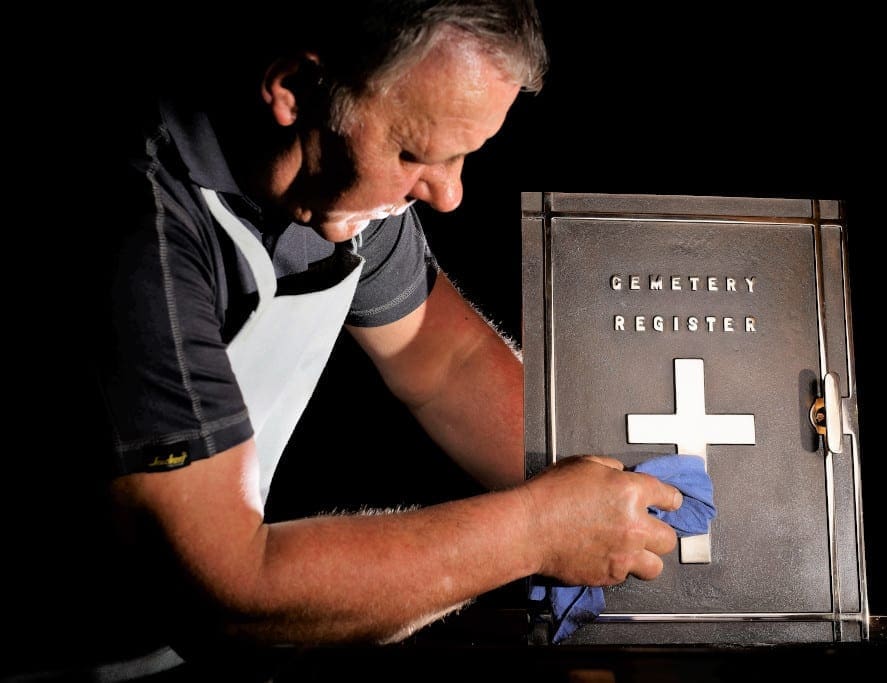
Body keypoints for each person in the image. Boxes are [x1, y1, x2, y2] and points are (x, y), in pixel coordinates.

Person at [5, 1, 686, 679]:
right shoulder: (136, 226)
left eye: (462, 157)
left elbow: (448, 362)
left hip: (183, 654)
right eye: (414, 151)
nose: (448, 194)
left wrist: (630, 501)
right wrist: (540, 530)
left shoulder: (344, 189)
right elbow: (229, 586)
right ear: (294, 91)